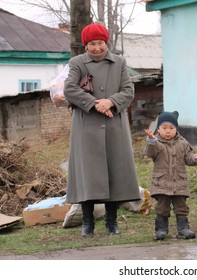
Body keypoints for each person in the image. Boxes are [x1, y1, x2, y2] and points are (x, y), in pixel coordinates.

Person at [64, 23, 140, 236]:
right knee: (88, 174)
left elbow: (128, 90)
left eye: (100, 43)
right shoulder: (77, 62)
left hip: (114, 124)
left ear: (106, 42)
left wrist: (111, 101)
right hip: (86, 125)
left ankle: (111, 222)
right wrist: (96, 103)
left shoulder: (119, 62)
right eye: (91, 44)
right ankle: (87, 222)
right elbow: (69, 88)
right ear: (85, 45)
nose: (96, 48)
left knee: (113, 171)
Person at [144, 111, 197, 240]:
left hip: (179, 183)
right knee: (162, 208)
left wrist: (196, 158)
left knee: (181, 207)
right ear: (158, 129)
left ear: (176, 128)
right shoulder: (156, 143)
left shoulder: (183, 143)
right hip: (161, 183)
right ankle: (161, 230)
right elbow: (151, 153)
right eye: (164, 128)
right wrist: (151, 141)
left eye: (171, 128)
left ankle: (183, 229)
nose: (168, 131)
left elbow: (188, 158)